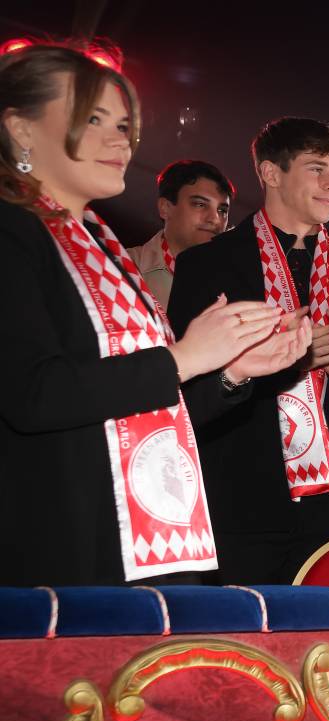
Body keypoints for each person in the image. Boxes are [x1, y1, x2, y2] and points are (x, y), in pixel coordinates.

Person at [0, 44, 309, 586]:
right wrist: (184, 356)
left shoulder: (101, 246)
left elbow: (148, 403)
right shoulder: (13, 233)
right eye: (92, 119)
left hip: (150, 540)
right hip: (67, 541)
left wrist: (234, 372)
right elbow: (33, 394)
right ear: (21, 129)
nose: (119, 140)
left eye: (123, 125)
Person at [168, 117, 329, 584]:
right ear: (271, 173)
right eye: (317, 169)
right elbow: (189, 392)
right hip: (243, 492)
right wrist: (283, 363)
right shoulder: (208, 264)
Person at [127, 160, 234, 307]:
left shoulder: (236, 279)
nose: (215, 219)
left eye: (222, 211)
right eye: (200, 204)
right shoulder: (124, 266)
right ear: (165, 208)